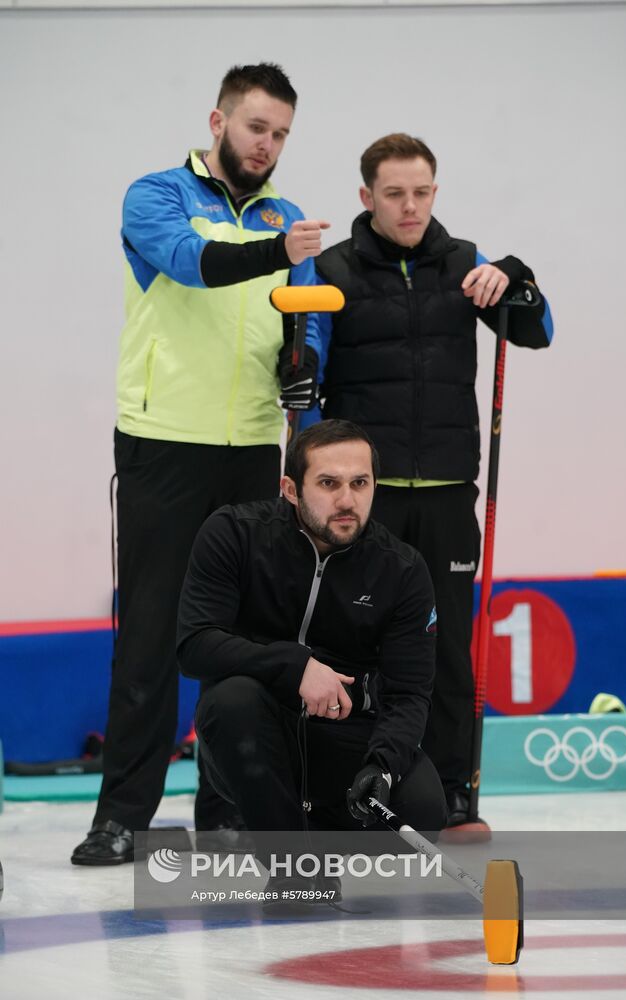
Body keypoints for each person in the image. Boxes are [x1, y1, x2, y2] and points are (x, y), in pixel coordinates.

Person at [72, 63, 326, 866]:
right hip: (163, 442)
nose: (268, 144)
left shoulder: (289, 219)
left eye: (281, 133)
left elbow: (307, 319)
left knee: (242, 639)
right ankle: (123, 819)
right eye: (256, 127)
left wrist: (304, 369)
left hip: (253, 446)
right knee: (149, 635)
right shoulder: (155, 195)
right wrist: (276, 250)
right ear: (216, 122)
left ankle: (224, 810)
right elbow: (188, 264)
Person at [307, 134, 554, 829]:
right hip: (364, 497)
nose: (409, 206)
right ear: (366, 197)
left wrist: (517, 277)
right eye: (393, 194)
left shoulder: (464, 264)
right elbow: (303, 378)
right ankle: (342, 789)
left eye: (421, 192)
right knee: (352, 640)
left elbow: (537, 331)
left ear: (434, 193)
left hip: (448, 490)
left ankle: (453, 791)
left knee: (447, 644)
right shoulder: (330, 270)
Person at [176, 419, 447, 898]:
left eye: (359, 483)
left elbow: (409, 694)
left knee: (423, 811)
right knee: (233, 699)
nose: (347, 500)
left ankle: (313, 829)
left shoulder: (401, 568)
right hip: (252, 736)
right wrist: (296, 666)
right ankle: (293, 868)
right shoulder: (234, 534)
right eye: (329, 483)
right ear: (290, 489)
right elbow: (195, 644)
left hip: (343, 738)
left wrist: (381, 767)